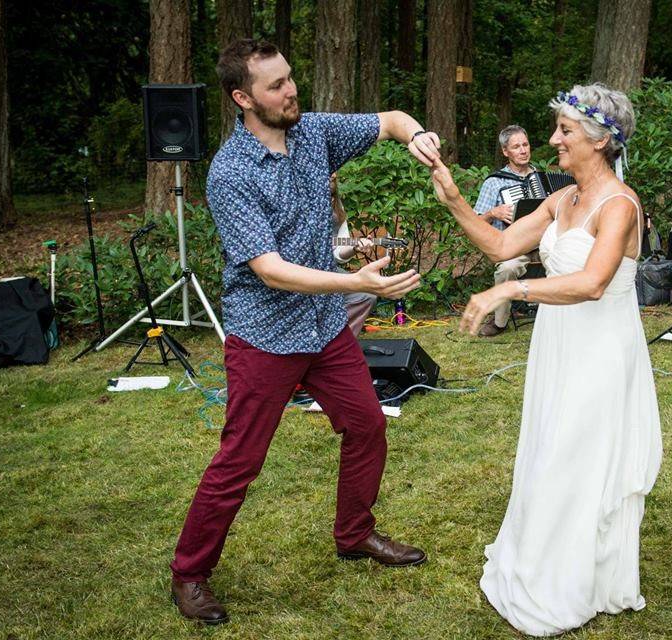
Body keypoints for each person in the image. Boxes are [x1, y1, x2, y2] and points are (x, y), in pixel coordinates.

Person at [169, 39, 439, 625]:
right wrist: (351, 282)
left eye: (290, 78)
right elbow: (269, 269)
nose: (291, 91)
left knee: (366, 425)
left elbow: (391, 121)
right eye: (274, 86)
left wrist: (416, 134)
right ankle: (190, 573)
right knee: (240, 459)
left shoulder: (312, 131)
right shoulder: (231, 173)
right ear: (243, 98)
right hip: (264, 334)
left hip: (323, 331)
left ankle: (355, 534)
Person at [431, 83, 662, 636]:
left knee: (576, 457)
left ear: (600, 141)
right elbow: (501, 247)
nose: (553, 139)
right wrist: (456, 201)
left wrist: (509, 293)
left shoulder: (621, 205)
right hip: (558, 345)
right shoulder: (563, 199)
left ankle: (574, 581)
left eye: (565, 131)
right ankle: (542, 561)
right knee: (549, 448)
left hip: (601, 350)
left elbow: (591, 282)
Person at [471, 125, 536, 336]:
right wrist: (493, 213)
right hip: (514, 248)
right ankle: (500, 322)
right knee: (507, 268)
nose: (523, 150)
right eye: (516, 147)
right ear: (505, 152)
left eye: (525, 144)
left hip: (543, 244)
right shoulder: (494, 183)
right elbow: (475, 224)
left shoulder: (540, 178)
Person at [330, 173, 377, 335]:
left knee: (365, 295)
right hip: (296, 270)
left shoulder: (336, 205)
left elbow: (338, 252)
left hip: (327, 269)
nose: (334, 174)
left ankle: (340, 341)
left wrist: (355, 247)